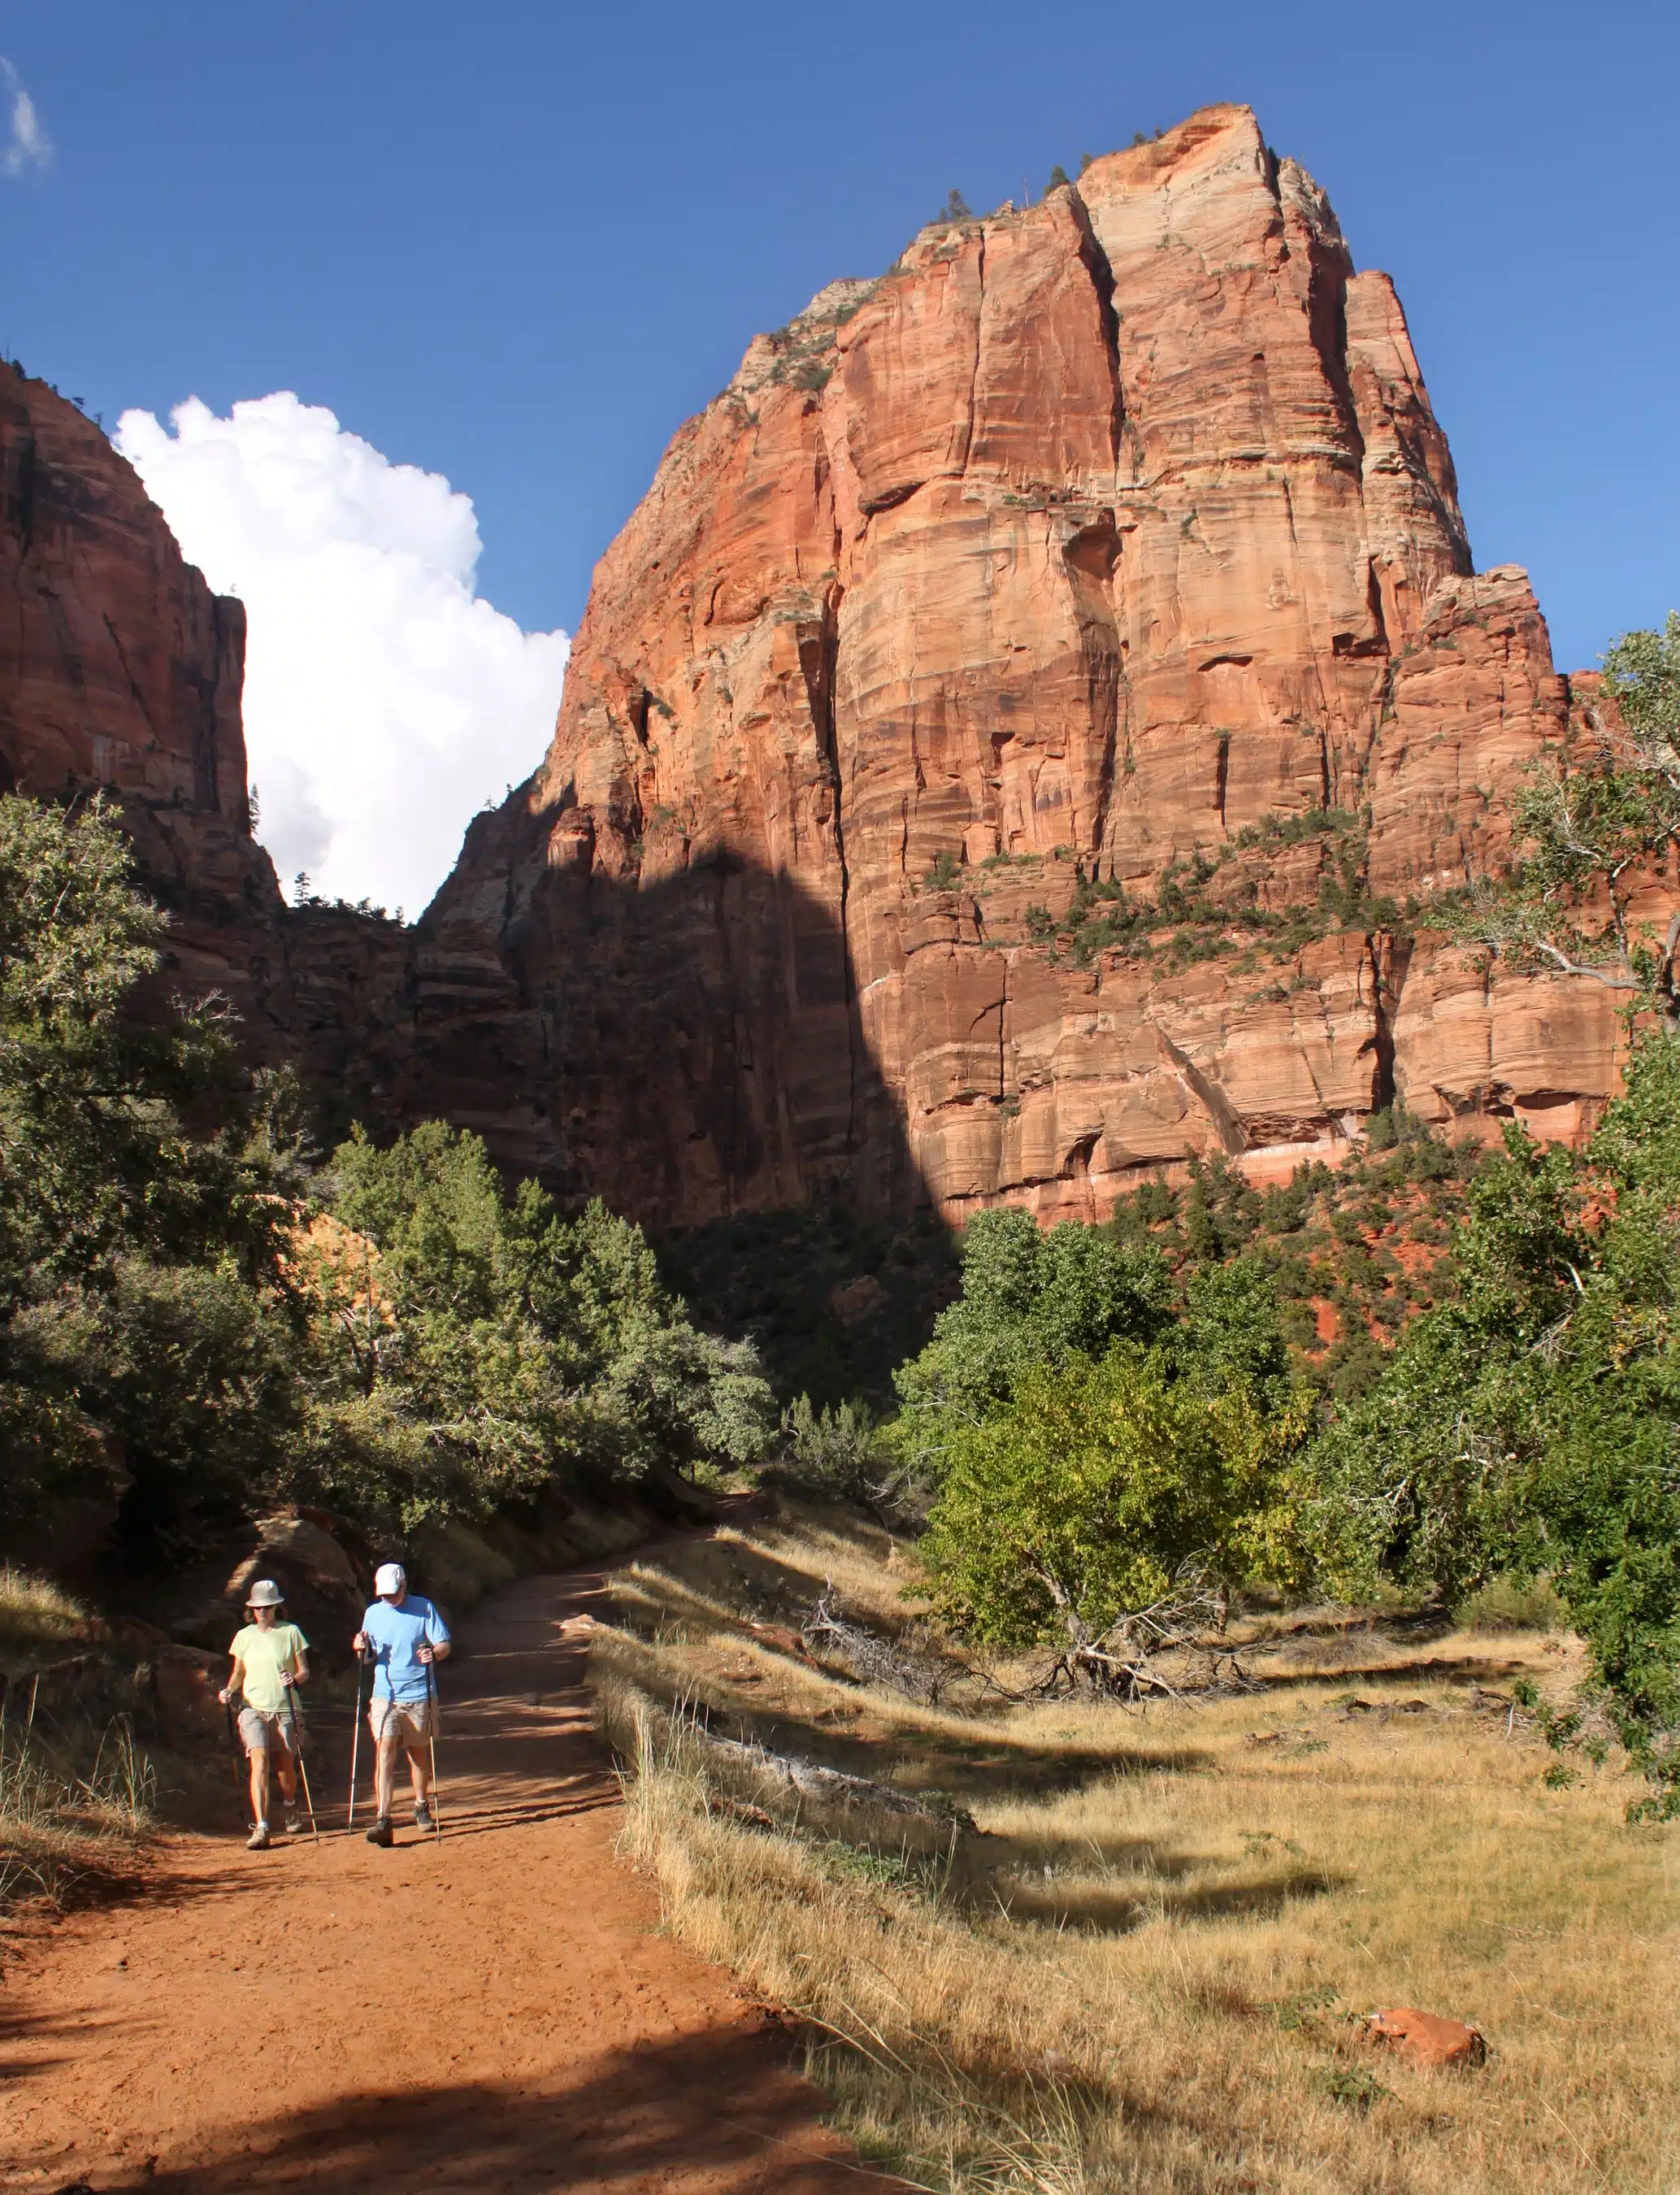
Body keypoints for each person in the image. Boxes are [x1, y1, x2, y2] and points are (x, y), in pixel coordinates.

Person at [354, 1560, 450, 1846]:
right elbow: (368, 1655)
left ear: (404, 1586)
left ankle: (421, 1805)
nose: (388, 1599)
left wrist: (434, 1653)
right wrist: (360, 1647)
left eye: (392, 1594)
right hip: (385, 1694)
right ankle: (383, 1816)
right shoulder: (372, 1613)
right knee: (384, 1749)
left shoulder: (424, 1608)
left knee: (417, 1753)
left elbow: (444, 1644)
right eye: (383, 1595)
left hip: (419, 1692)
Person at [219, 1580, 310, 1850]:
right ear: (251, 1610)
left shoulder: (291, 1632)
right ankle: (262, 1826)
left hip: (285, 1707)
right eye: (258, 1608)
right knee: (258, 1761)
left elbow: (304, 1670)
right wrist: (229, 1690)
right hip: (252, 1707)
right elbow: (239, 1672)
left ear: (276, 1608)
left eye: (268, 1607)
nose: (263, 1612)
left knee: (285, 1768)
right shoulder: (244, 1636)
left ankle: (291, 1805)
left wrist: (293, 1679)